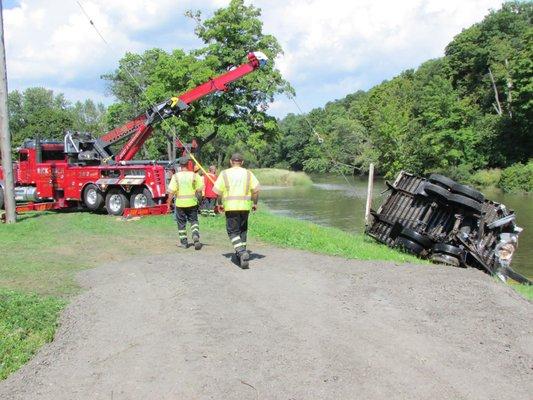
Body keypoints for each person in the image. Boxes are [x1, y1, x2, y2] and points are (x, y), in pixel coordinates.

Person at [213, 153, 260, 269]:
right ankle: (241, 255)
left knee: (232, 232)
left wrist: (219, 204)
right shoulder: (249, 173)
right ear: (242, 162)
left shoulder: (224, 174)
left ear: (230, 161)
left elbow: (218, 192)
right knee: (242, 231)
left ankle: (241, 251)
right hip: (244, 207)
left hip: (231, 207)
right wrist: (255, 203)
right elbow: (256, 191)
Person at [166, 157, 204, 250]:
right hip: (192, 203)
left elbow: (171, 192)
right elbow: (199, 190)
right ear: (188, 164)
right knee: (194, 221)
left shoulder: (176, 176)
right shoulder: (195, 176)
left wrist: (168, 203)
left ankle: (184, 243)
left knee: (181, 224)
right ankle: (195, 235)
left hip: (180, 204)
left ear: (180, 165)